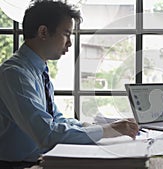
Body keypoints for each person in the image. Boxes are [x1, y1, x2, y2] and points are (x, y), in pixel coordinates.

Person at [0, 1, 139, 168]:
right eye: (66, 34)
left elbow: (55, 119)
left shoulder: (37, 70)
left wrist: (93, 127)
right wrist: (108, 130)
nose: (70, 43)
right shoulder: (15, 74)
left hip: (38, 161)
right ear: (43, 32)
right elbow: (47, 134)